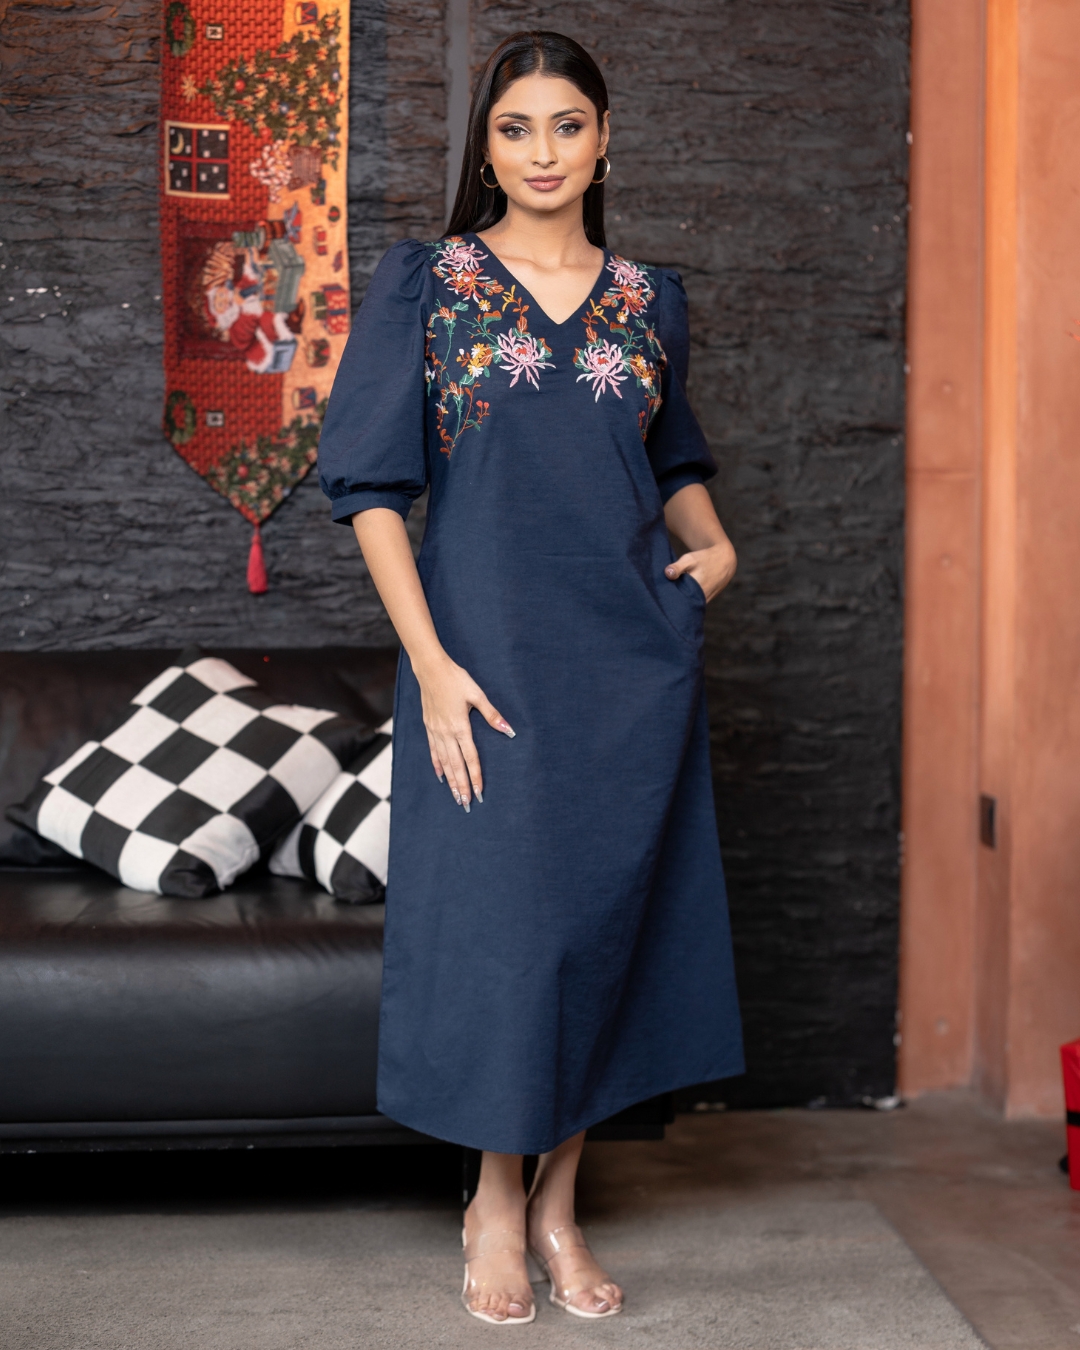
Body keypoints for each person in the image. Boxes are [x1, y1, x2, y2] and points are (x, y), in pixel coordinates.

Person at [318, 29, 744, 1325]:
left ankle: (560, 1204)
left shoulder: (650, 299)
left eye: (568, 125)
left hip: (628, 665)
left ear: (605, 140)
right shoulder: (431, 283)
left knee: (602, 927)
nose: (543, 152)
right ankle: (494, 1203)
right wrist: (432, 665)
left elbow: (670, 459)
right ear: (486, 147)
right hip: (483, 663)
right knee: (515, 933)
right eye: (516, 128)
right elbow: (372, 487)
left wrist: (718, 551)